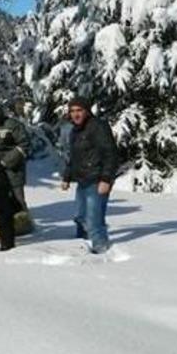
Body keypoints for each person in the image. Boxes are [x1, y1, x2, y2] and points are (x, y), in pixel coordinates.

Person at [60, 97, 119, 254]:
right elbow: (73, 157)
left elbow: (110, 154)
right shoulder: (74, 131)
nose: (75, 114)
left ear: (87, 111)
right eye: (72, 111)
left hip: (97, 180)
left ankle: (100, 249)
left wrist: (106, 179)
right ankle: (82, 245)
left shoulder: (98, 127)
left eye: (79, 110)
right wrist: (66, 177)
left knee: (94, 220)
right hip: (83, 180)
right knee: (80, 217)